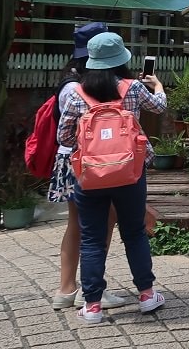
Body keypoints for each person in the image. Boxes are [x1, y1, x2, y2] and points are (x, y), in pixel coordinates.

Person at [58, 32, 167, 323]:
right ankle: (147, 295)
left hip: (89, 176)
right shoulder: (133, 88)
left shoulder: (77, 93)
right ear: (121, 60)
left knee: (92, 239)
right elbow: (160, 107)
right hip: (130, 172)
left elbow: (64, 137)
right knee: (134, 232)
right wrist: (158, 86)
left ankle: (92, 305)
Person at [48, 22, 128, 311]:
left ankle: (66, 290)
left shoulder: (70, 81)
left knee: (77, 224)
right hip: (88, 162)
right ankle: (93, 289)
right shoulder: (81, 87)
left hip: (68, 160)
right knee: (102, 222)